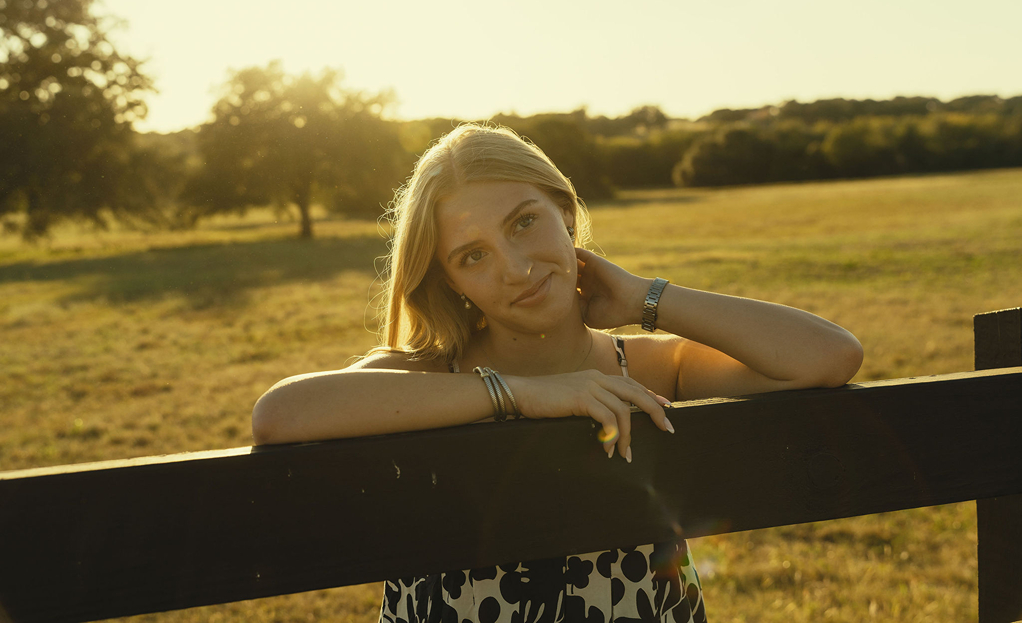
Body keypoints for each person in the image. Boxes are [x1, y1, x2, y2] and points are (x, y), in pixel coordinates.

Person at [252, 123, 864, 623]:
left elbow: (830, 356)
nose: (515, 269)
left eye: (524, 222)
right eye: (473, 256)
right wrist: (521, 395)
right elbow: (280, 416)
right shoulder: (424, 379)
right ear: (450, 282)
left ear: (566, 214)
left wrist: (642, 299)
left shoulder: (651, 367)